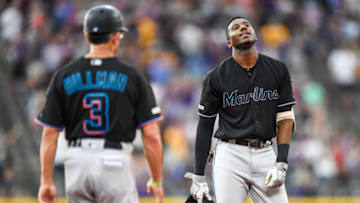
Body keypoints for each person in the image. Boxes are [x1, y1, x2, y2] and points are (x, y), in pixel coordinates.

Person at [36, 5, 164, 203]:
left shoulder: (64, 75)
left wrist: (46, 181)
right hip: (114, 159)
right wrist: (156, 180)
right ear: (116, 37)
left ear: (87, 37)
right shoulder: (132, 76)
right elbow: (152, 135)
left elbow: (49, 134)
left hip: (76, 161)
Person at [185, 16, 296, 203]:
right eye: (236, 28)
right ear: (229, 42)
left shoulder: (277, 69)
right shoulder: (216, 77)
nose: (243, 28)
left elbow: (285, 117)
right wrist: (199, 176)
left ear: (255, 35)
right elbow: (205, 126)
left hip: (266, 152)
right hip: (230, 154)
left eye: (247, 26)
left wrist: (282, 162)